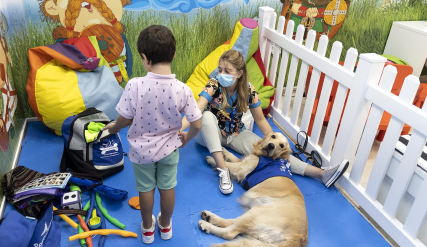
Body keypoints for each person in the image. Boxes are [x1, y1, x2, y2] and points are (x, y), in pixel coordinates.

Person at [181, 49, 349, 194]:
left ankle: (321, 174)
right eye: (220, 69)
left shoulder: (248, 90)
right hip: (208, 134)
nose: (222, 74)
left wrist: (273, 142)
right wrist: (178, 130)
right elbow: (196, 110)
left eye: (228, 71)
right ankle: (223, 171)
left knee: (272, 150)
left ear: (239, 74)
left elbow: (260, 119)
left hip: (235, 133)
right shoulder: (213, 84)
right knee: (207, 116)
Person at [103, 25, 202, 244]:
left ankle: (147, 229)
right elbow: (197, 124)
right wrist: (187, 136)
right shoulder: (183, 89)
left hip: (141, 152)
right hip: (169, 150)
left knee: (145, 189)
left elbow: (124, 119)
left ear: (144, 58)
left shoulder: (135, 85)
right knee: (167, 187)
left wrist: (114, 128)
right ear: (173, 55)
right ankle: (165, 226)